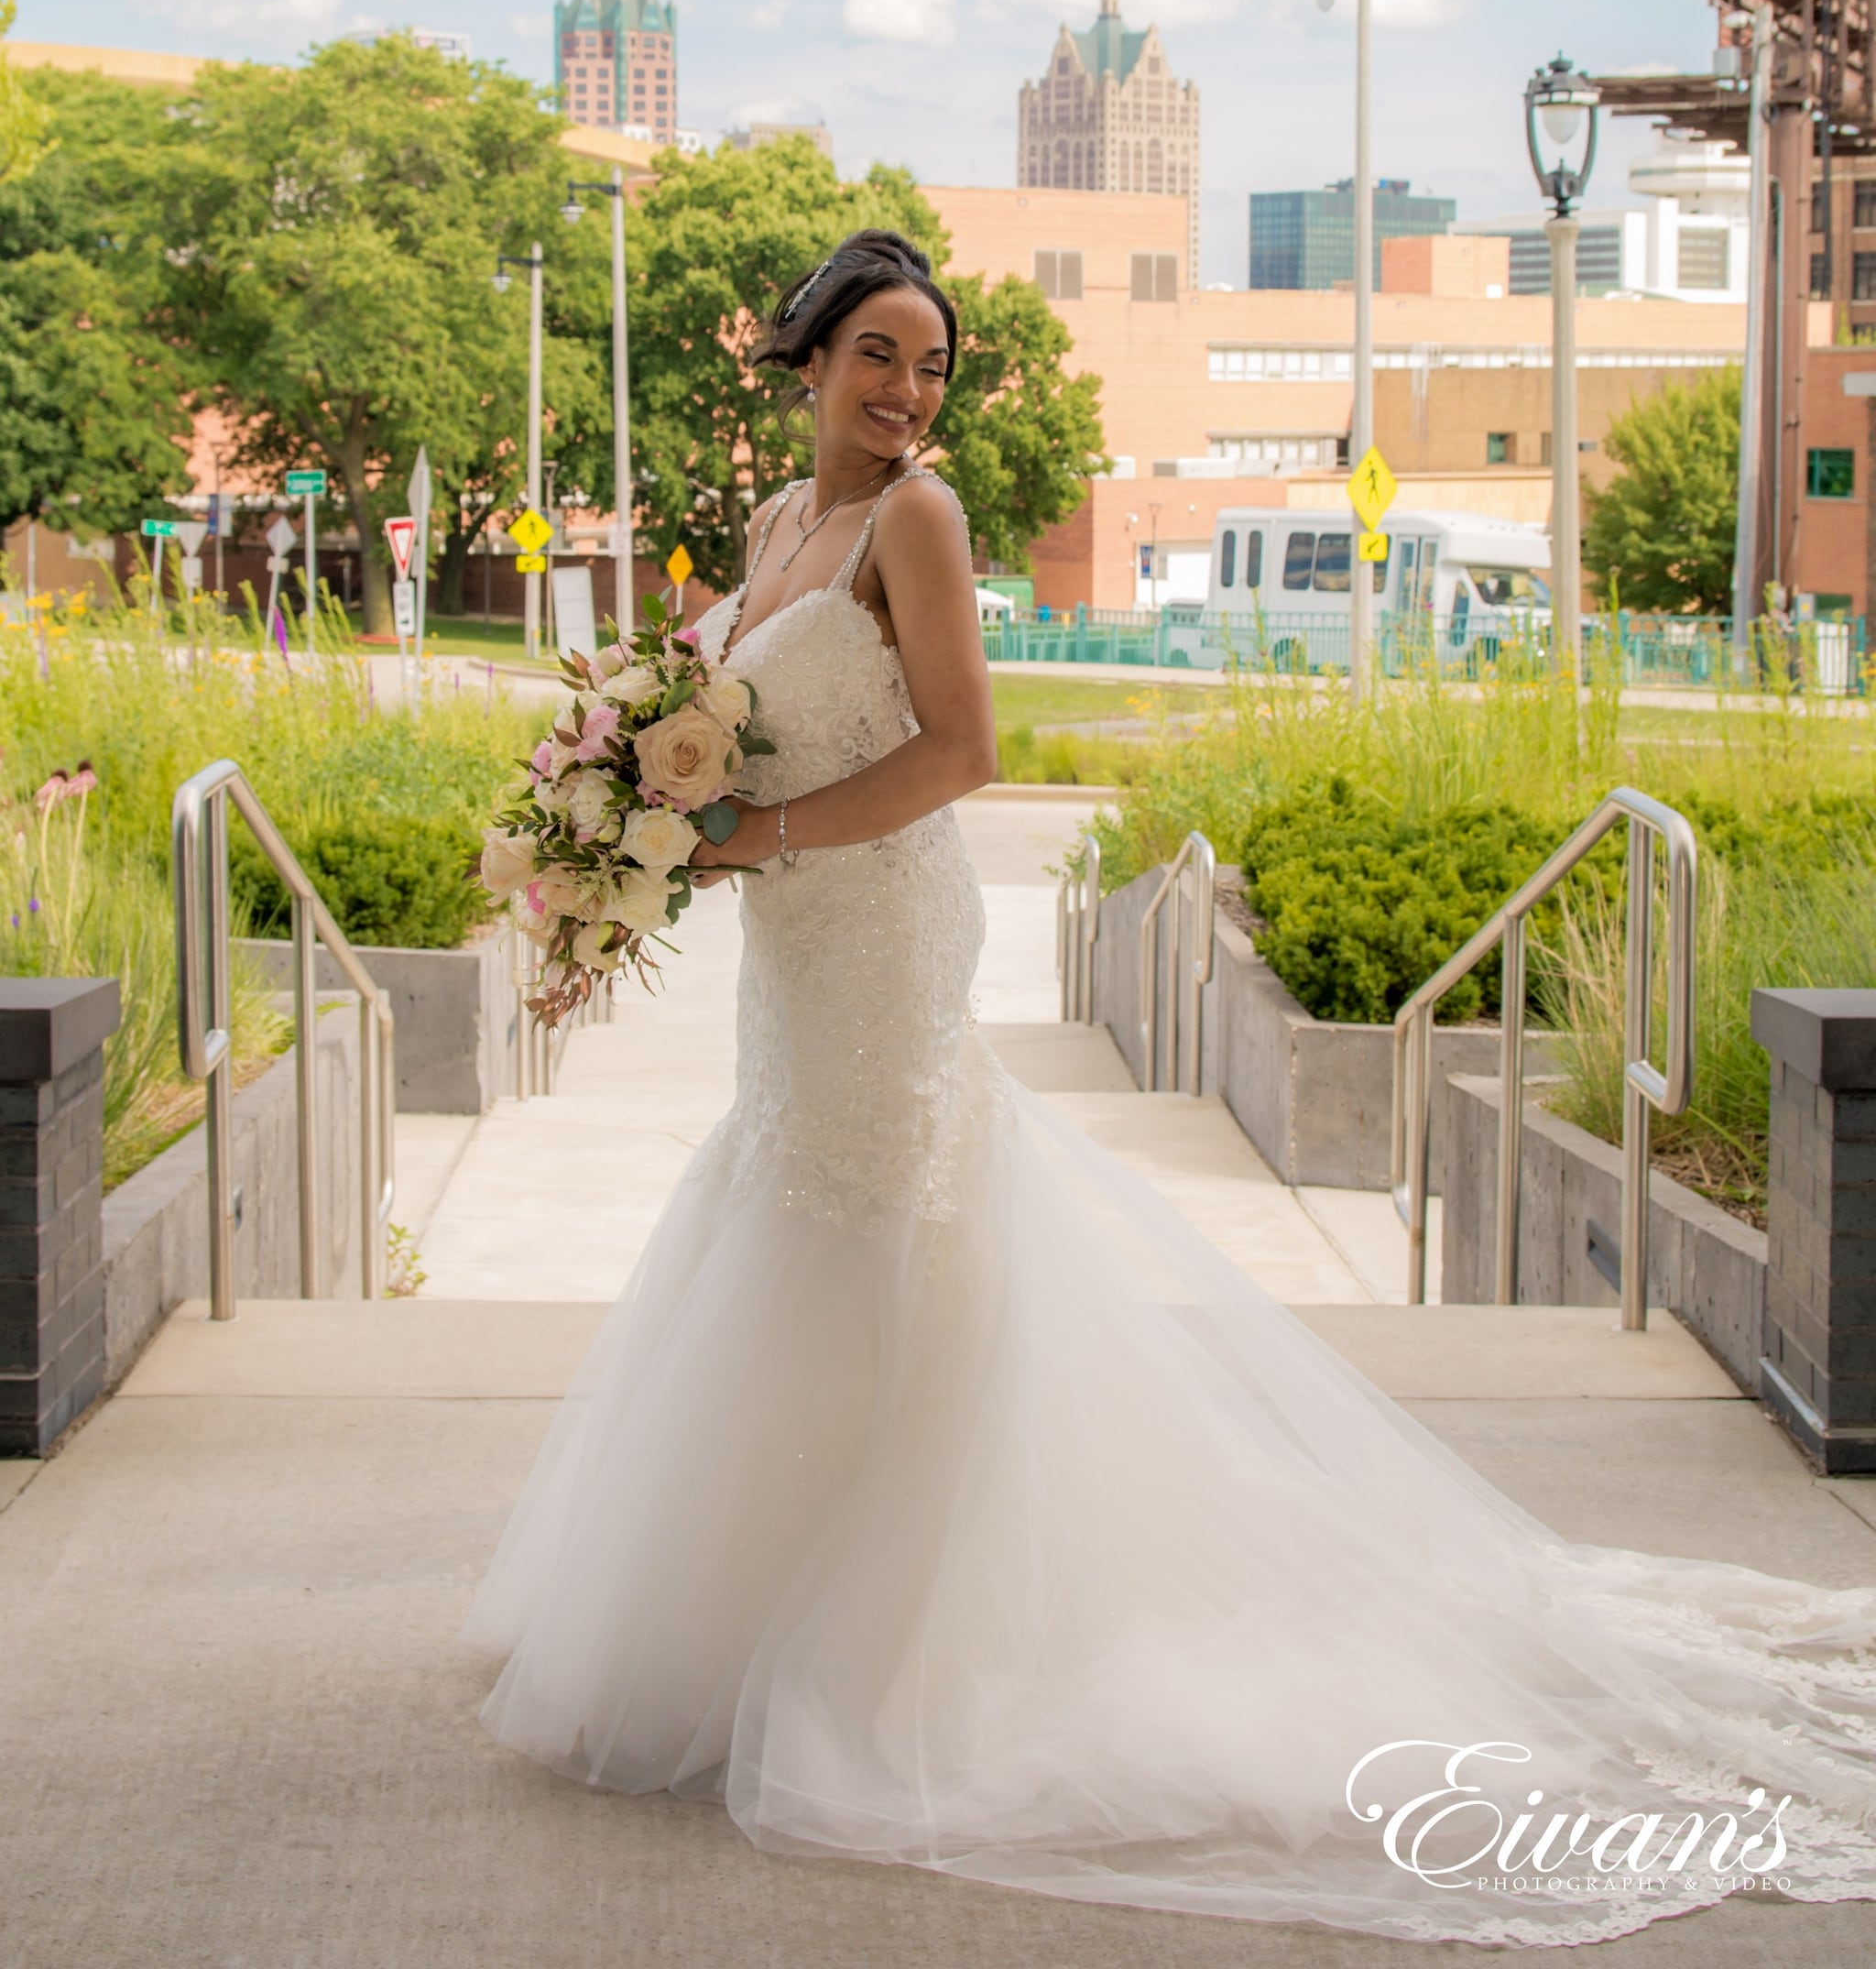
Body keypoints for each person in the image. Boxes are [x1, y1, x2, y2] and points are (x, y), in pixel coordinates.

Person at [466, 228, 1876, 1946]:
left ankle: (902, 1639)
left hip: (881, 931)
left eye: (934, 366)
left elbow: (964, 752)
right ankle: (747, 1612)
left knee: (879, 1219)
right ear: (810, 358)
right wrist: (642, 812)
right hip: (790, 948)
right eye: (880, 358)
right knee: (781, 1205)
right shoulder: (778, 526)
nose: (910, 394)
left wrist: (747, 833)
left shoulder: (919, 516)